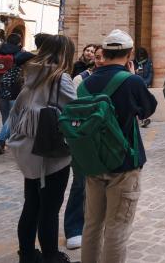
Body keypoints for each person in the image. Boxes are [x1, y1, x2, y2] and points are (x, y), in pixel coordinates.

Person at [80, 30, 157, 263]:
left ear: (104, 53)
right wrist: (133, 77)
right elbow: (148, 109)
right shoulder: (131, 81)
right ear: (129, 53)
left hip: (94, 160)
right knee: (117, 226)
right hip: (124, 160)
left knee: (92, 223)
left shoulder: (86, 81)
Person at [7, 35, 76, 263]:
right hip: (51, 151)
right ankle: (51, 256)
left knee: (32, 204)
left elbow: (16, 111)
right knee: (50, 208)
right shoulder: (60, 78)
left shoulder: (31, 74)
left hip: (29, 150)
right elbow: (75, 111)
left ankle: (26, 254)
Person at [63, 45, 105, 251]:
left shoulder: (115, 79)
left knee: (103, 185)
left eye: (103, 56)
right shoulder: (80, 79)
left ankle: (97, 222)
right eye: (96, 56)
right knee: (80, 184)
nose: (99, 60)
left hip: (105, 141)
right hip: (83, 139)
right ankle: (73, 228)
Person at [0, 33, 36, 155]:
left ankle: (8, 140)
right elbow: (36, 55)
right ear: (19, 43)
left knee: (6, 116)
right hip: (14, 89)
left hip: (0, 88)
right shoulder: (20, 54)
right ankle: (0, 141)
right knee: (13, 116)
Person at [133, 47, 153, 127]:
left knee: (143, 101)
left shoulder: (148, 62)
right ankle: (142, 119)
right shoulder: (134, 63)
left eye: (142, 56)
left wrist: (146, 83)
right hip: (135, 84)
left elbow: (150, 74)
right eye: (139, 56)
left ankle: (143, 119)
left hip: (144, 85)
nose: (141, 57)